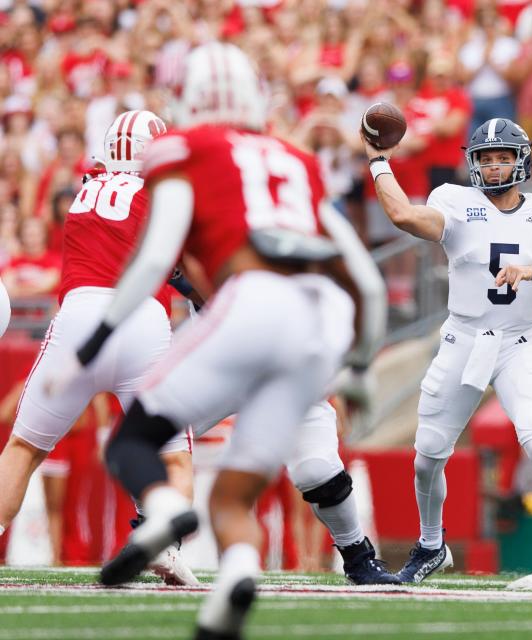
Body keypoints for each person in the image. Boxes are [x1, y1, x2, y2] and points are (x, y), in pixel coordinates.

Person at [46, 42, 384, 639]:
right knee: (257, 483)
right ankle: (242, 570)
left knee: (138, 439)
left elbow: (154, 258)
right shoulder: (294, 158)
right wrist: (359, 364)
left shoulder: (190, 150)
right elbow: (363, 276)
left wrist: (94, 340)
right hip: (318, 322)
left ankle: (166, 513)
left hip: (244, 313)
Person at [363, 117, 532, 582]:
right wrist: (379, 161)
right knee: (427, 458)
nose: (495, 165)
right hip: (464, 339)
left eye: (504, 156)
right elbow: (402, 215)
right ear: (472, 162)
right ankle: (431, 544)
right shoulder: (454, 203)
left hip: (520, 341)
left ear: (522, 160)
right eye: (486, 157)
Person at [0, 110, 198, 586]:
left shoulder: (86, 189)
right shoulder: (164, 192)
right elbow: (189, 266)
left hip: (79, 318)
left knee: (24, 447)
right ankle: (164, 545)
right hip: (143, 319)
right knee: (174, 457)